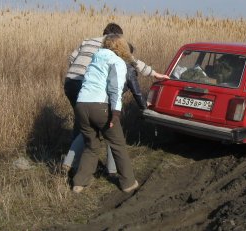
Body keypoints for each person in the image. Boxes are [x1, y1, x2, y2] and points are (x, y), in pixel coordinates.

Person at [62, 23, 168, 171]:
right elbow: (132, 62)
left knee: (82, 121)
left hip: (70, 82)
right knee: (100, 126)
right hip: (88, 85)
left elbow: (71, 58)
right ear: (117, 37)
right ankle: (98, 167)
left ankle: (73, 161)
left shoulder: (87, 40)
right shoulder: (112, 45)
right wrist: (155, 73)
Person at [63, 43, 147, 174]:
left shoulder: (99, 62)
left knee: (87, 134)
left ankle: (69, 162)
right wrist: (144, 108)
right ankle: (112, 169)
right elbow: (137, 93)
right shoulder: (127, 68)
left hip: (88, 101)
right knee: (113, 137)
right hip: (106, 105)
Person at [72, 34, 138, 193]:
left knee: (91, 145)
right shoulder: (117, 62)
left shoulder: (95, 59)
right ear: (122, 47)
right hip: (100, 106)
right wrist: (116, 113)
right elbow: (114, 88)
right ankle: (128, 183)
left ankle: (79, 183)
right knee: (118, 144)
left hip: (81, 105)